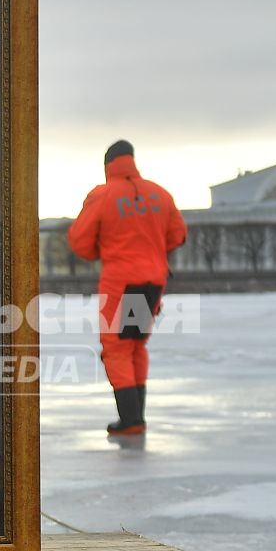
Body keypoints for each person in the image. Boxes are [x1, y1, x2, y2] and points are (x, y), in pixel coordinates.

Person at [66, 140, 186, 436]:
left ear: (108, 164)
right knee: (135, 346)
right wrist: (153, 249)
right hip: (154, 280)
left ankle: (130, 420)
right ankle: (136, 417)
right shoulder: (160, 194)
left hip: (121, 281)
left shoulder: (103, 195)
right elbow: (178, 236)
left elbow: (80, 242)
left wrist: (104, 249)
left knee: (117, 348)